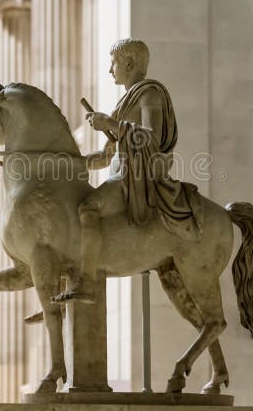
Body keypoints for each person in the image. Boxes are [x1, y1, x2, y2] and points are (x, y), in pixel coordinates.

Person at [53, 38, 201, 304]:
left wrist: (109, 122)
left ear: (129, 63)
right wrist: (67, 164)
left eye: (114, 63)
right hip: (119, 173)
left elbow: (152, 138)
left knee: (88, 208)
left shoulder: (149, 94)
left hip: (135, 178)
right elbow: (104, 157)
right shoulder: (124, 103)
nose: (110, 70)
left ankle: (87, 281)